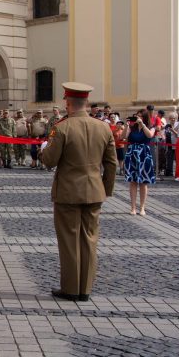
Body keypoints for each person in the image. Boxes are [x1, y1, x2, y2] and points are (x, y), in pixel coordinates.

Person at [40, 82, 117, 302]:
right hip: (94, 191)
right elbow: (112, 164)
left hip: (68, 192)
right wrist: (105, 189)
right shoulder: (103, 128)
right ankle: (85, 288)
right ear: (86, 102)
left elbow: (50, 161)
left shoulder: (62, 128)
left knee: (69, 239)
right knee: (90, 239)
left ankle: (71, 288)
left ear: (68, 103)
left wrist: (43, 150)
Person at [122, 112, 155, 215]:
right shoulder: (132, 128)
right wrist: (126, 126)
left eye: (140, 116)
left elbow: (150, 135)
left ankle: (142, 207)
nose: (137, 118)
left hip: (144, 155)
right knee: (133, 181)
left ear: (144, 117)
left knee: (143, 182)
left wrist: (142, 125)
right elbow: (123, 137)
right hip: (132, 154)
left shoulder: (151, 127)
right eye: (137, 116)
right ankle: (133, 207)